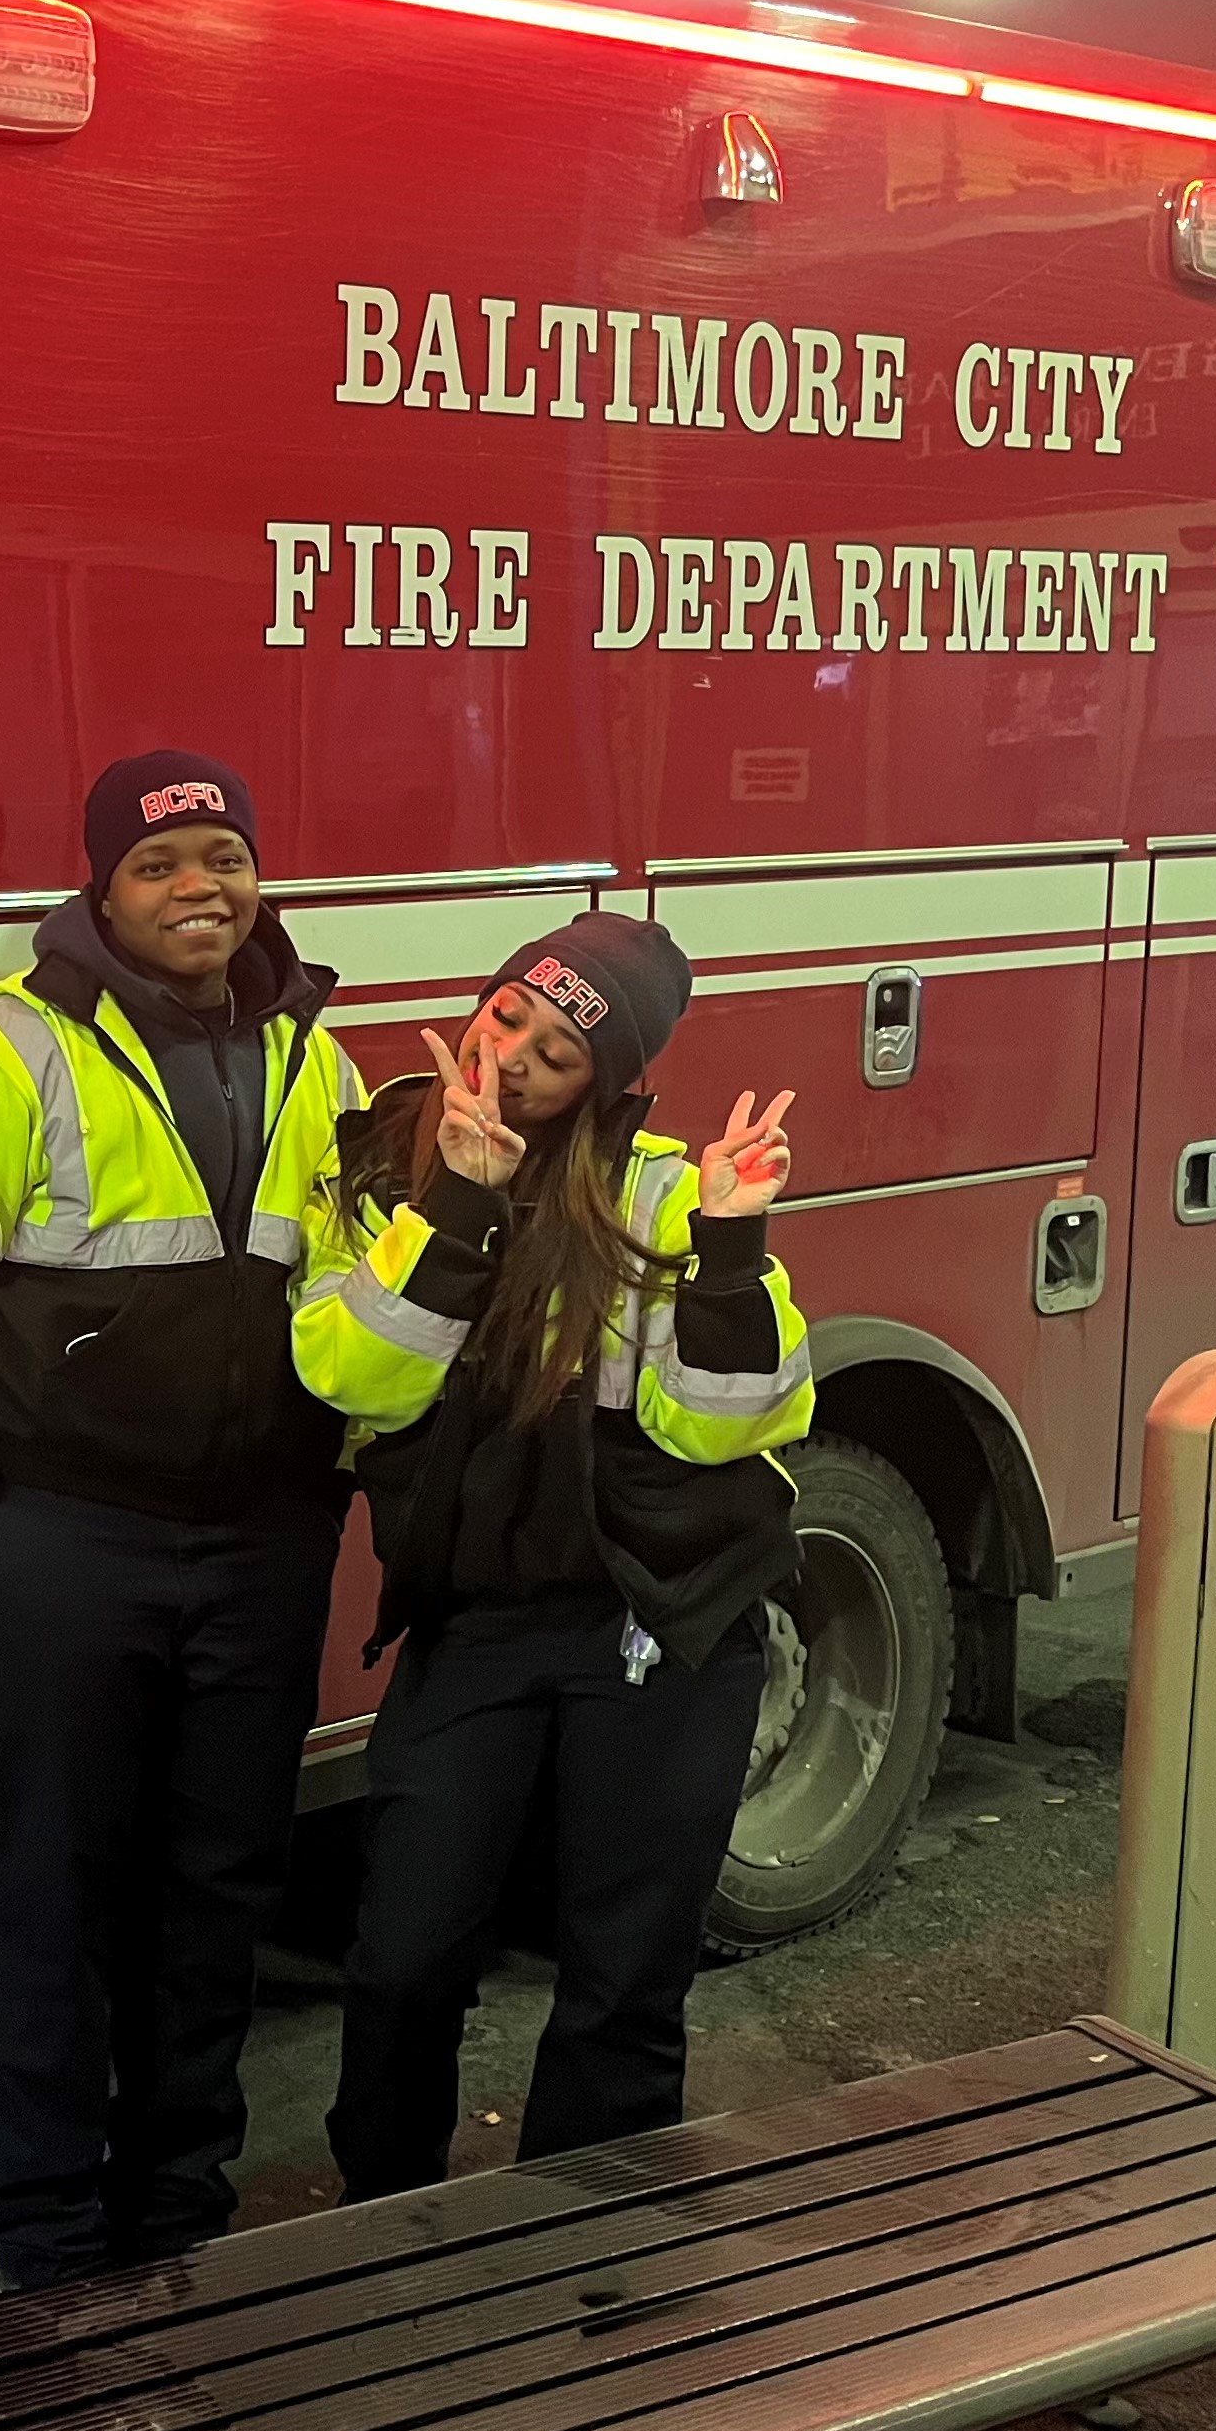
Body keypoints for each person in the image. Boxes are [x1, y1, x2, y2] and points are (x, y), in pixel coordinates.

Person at [0, 750, 363, 2288]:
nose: (200, 886)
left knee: (216, 1895)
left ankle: (178, 2212)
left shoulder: (313, 1055)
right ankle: (50, 2238)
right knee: (49, 1898)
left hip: (263, 1541)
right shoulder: (0, 1054)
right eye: (161, 865)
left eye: (224, 855)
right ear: (101, 890)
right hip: (61, 1541)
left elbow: (349, 1286)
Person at [292, 916, 809, 2201]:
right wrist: (457, 1204)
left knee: (625, 1972)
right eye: (511, 1013)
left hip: (665, 1619)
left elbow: (734, 1424)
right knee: (404, 1955)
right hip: (480, 1618)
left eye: (561, 1050)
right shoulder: (382, 1167)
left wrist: (733, 1245)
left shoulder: (664, 1193)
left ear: (610, 1082)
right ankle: (383, 2223)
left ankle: (582, 2249)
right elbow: (348, 1378)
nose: (512, 1054)